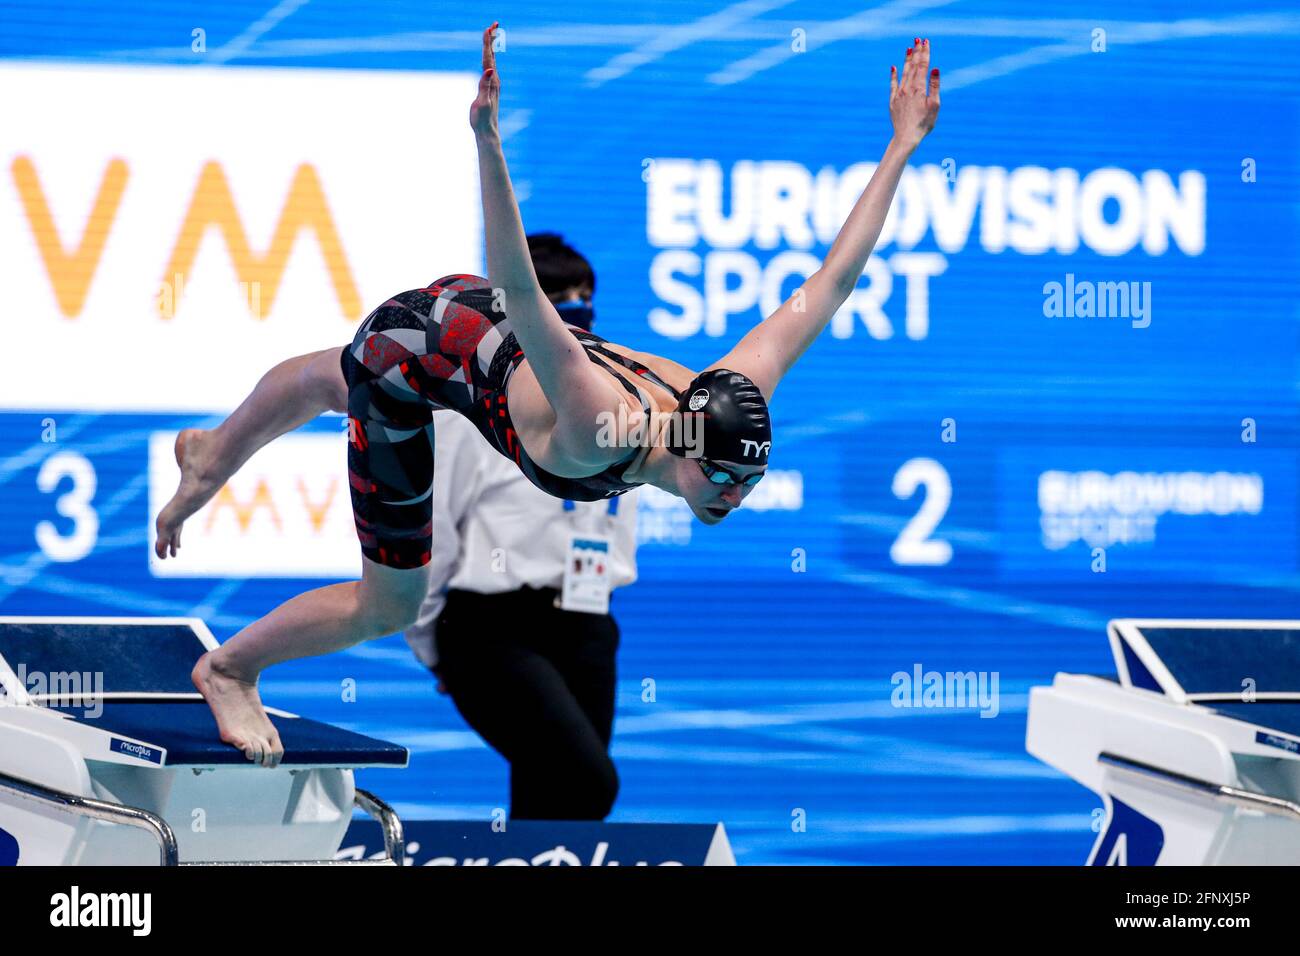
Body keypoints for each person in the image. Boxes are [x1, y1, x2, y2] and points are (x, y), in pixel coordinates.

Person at [155, 24, 941, 766]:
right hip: (419, 350)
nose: (733, 497)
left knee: (331, 379)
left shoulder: (725, 390)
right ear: (690, 450)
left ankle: (215, 449)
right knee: (387, 600)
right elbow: (525, 300)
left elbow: (834, 280)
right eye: (727, 481)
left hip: (468, 340)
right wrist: (488, 144)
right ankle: (229, 669)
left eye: (747, 483)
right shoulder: (606, 426)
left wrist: (901, 145)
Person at [409, 233, 637, 820]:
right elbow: (434, 535)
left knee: (559, 809)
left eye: (587, 294)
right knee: (586, 779)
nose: (579, 306)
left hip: (587, 622)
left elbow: (619, 516)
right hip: (491, 630)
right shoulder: (470, 411)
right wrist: (433, 648)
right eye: (559, 295)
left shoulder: (620, 403)